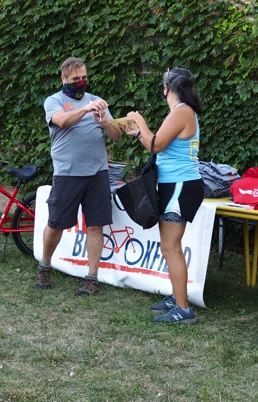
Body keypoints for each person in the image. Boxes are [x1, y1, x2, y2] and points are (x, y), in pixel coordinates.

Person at [125, 67, 204, 324]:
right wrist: (139, 133)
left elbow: (156, 145)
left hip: (180, 185)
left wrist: (139, 121)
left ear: (167, 88)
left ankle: (183, 309)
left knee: (171, 247)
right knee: (169, 246)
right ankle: (177, 297)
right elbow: (154, 143)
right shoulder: (181, 112)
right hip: (176, 185)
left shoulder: (181, 112)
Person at [37, 57, 121, 295]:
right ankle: (45, 266)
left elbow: (116, 135)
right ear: (64, 78)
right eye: (76, 79)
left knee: (95, 226)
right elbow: (62, 121)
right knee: (56, 224)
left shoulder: (97, 101)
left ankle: (92, 279)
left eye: (84, 77)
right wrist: (85, 109)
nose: (81, 82)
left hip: (97, 173)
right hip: (67, 173)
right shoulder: (54, 101)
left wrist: (105, 122)